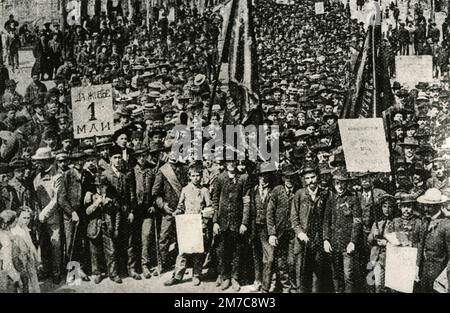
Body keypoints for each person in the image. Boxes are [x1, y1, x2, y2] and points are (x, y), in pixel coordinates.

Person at [164, 163, 211, 286]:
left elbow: (210, 208)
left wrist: (204, 220)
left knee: (198, 252)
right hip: (187, 224)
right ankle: (177, 275)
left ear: (201, 176)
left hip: (199, 224)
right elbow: (181, 205)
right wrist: (177, 212)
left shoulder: (204, 191)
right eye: (193, 175)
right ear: (189, 176)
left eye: (198, 176)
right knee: (183, 251)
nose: (196, 178)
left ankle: (196, 275)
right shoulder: (185, 190)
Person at [291, 163, 329, 293]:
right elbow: (294, 218)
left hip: (317, 239)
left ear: (317, 177)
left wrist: (324, 238)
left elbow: (326, 219)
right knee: (301, 272)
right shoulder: (299, 194)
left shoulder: (324, 194)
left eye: (312, 177)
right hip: (302, 240)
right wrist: (300, 233)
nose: (310, 181)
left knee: (317, 272)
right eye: (307, 178)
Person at [323, 168, 362, 293]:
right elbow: (326, 221)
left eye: (342, 183)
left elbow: (357, 222)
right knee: (336, 275)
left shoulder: (353, 199)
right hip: (334, 244)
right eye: (337, 183)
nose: (340, 186)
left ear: (347, 183)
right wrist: (326, 239)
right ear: (334, 184)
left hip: (347, 244)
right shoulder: (331, 199)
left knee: (348, 275)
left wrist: (353, 242)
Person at [212, 160, 246, 291]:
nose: (231, 164)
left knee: (237, 251)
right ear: (225, 163)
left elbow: (246, 201)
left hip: (237, 223)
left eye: (234, 161)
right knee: (223, 251)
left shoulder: (242, 178)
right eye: (229, 161)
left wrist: (243, 222)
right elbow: (215, 201)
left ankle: (234, 278)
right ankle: (225, 277)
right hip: (223, 222)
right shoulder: (220, 178)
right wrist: (215, 221)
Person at [32, 147, 63, 284]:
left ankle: (56, 272)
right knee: (43, 245)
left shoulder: (57, 176)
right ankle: (45, 270)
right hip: (40, 218)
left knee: (55, 245)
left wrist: (44, 214)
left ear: (46, 161)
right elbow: (36, 198)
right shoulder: (37, 177)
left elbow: (57, 199)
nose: (37, 164)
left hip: (53, 217)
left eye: (39, 161)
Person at [85, 174, 122, 284]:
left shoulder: (112, 197)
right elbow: (87, 212)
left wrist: (116, 228)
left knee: (111, 251)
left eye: (102, 186)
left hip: (108, 226)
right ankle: (97, 273)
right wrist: (96, 204)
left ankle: (113, 273)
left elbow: (117, 212)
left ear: (106, 186)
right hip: (94, 227)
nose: (99, 188)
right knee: (95, 252)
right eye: (97, 186)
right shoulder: (91, 197)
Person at [416, 188, 450, 293]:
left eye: (429, 206)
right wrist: (417, 267)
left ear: (438, 206)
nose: (425, 209)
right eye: (425, 205)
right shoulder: (424, 222)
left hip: (439, 274)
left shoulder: (446, 225)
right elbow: (420, 245)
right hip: (424, 272)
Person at [367, 190, 395, 293]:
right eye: (384, 206)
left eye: (389, 207)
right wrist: (373, 235)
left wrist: (386, 243)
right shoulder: (377, 223)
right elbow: (369, 241)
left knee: (391, 287)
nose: (387, 209)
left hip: (389, 259)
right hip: (376, 258)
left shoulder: (395, 223)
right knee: (378, 286)